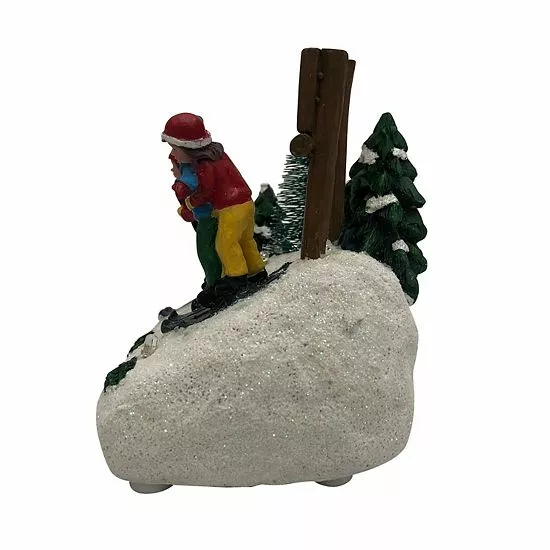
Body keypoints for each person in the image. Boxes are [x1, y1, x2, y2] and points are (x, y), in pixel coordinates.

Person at [162, 112, 267, 306]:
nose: (174, 154)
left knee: (225, 244)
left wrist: (190, 203)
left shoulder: (204, 165)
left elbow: (206, 191)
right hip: (246, 202)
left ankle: (236, 279)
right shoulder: (218, 154)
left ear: (187, 147)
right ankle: (256, 270)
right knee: (245, 240)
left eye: (175, 149)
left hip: (230, 207)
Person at [169, 153, 222, 295]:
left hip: (206, 217)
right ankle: (213, 278)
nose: (171, 170)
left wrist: (183, 210)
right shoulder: (191, 177)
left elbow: (193, 203)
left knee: (206, 250)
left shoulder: (187, 180)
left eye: (173, 166)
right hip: (202, 218)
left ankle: (215, 282)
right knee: (212, 248)